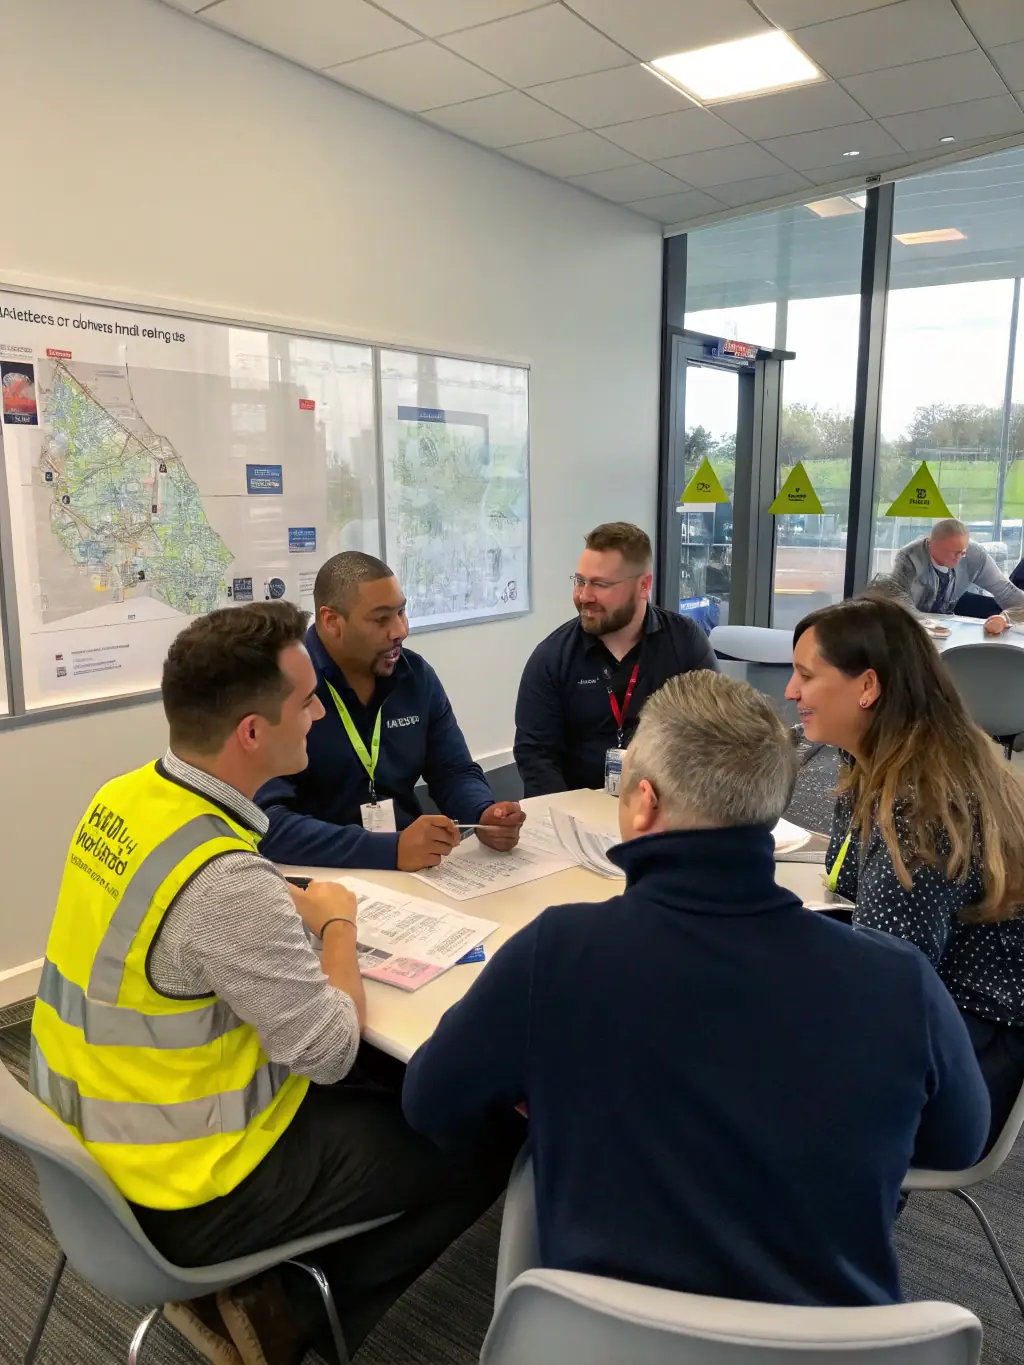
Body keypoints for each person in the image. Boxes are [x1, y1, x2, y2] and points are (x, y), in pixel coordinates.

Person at [404, 670, 988, 1307]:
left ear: (642, 803)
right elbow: (956, 1144)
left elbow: (431, 1104)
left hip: (599, 1340)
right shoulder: (898, 981)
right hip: (831, 1351)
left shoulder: (558, 953)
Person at [30, 602, 515, 1365]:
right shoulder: (227, 888)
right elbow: (328, 1048)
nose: (318, 709)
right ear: (253, 732)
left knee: (402, 1088)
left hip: (95, 1138)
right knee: (481, 1132)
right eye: (305, 701)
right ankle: (290, 1316)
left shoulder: (125, 798)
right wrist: (336, 925)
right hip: (190, 1185)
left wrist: (286, 897)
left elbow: (195, 899)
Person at [787, 595, 1024, 1149]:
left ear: (867, 687)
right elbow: (849, 892)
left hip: (969, 1058)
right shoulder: (883, 759)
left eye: (804, 675)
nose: (790, 693)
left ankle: (833, 1225)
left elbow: (884, 996)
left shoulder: (920, 809)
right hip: (940, 1021)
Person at [257, 552, 524, 869]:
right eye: (381, 619)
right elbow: (267, 823)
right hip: (318, 876)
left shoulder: (415, 675)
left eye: (401, 612)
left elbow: (452, 770)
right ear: (331, 621)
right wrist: (387, 849)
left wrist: (482, 813)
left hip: (409, 868)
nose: (400, 630)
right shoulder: (283, 684)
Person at [513, 522, 717, 796]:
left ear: (644, 586)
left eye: (600, 584)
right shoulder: (552, 657)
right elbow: (536, 756)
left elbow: (713, 733)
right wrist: (568, 820)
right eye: (580, 580)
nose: (584, 596)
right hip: (577, 813)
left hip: (668, 809)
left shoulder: (684, 642)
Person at [869, 517, 1024, 634]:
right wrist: (926, 624)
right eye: (952, 552)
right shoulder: (911, 557)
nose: (958, 557)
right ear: (931, 544)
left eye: (962, 552)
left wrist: (1005, 618)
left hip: (948, 627)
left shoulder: (974, 556)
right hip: (912, 629)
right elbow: (897, 599)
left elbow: (1007, 591)